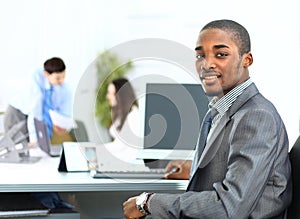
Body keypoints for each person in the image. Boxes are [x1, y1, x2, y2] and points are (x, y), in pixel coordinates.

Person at [123, 19, 292, 218]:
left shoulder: (256, 116)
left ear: (246, 60)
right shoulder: (224, 108)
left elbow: (230, 207)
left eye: (221, 54)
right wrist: (197, 169)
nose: (207, 64)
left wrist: (149, 202)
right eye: (200, 55)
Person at [4, 57, 73, 146]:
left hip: (35, 117)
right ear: (46, 74)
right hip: (18, 113)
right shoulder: (36, 82)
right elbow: (35, 112)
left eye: (64, 76)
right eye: (58, 78)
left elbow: (65, 113)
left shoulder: (63, 89)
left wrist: (63, 126)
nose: (62, 81)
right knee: (16, 148)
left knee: (39, 148)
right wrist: (34, 139)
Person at [104, 78, 141, 163]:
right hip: (120, 161)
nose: (107, 96)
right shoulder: (121, 114)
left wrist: (97, 150)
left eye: (110, 93)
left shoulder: (133, 116)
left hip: (127, 163)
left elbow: (121, 146)